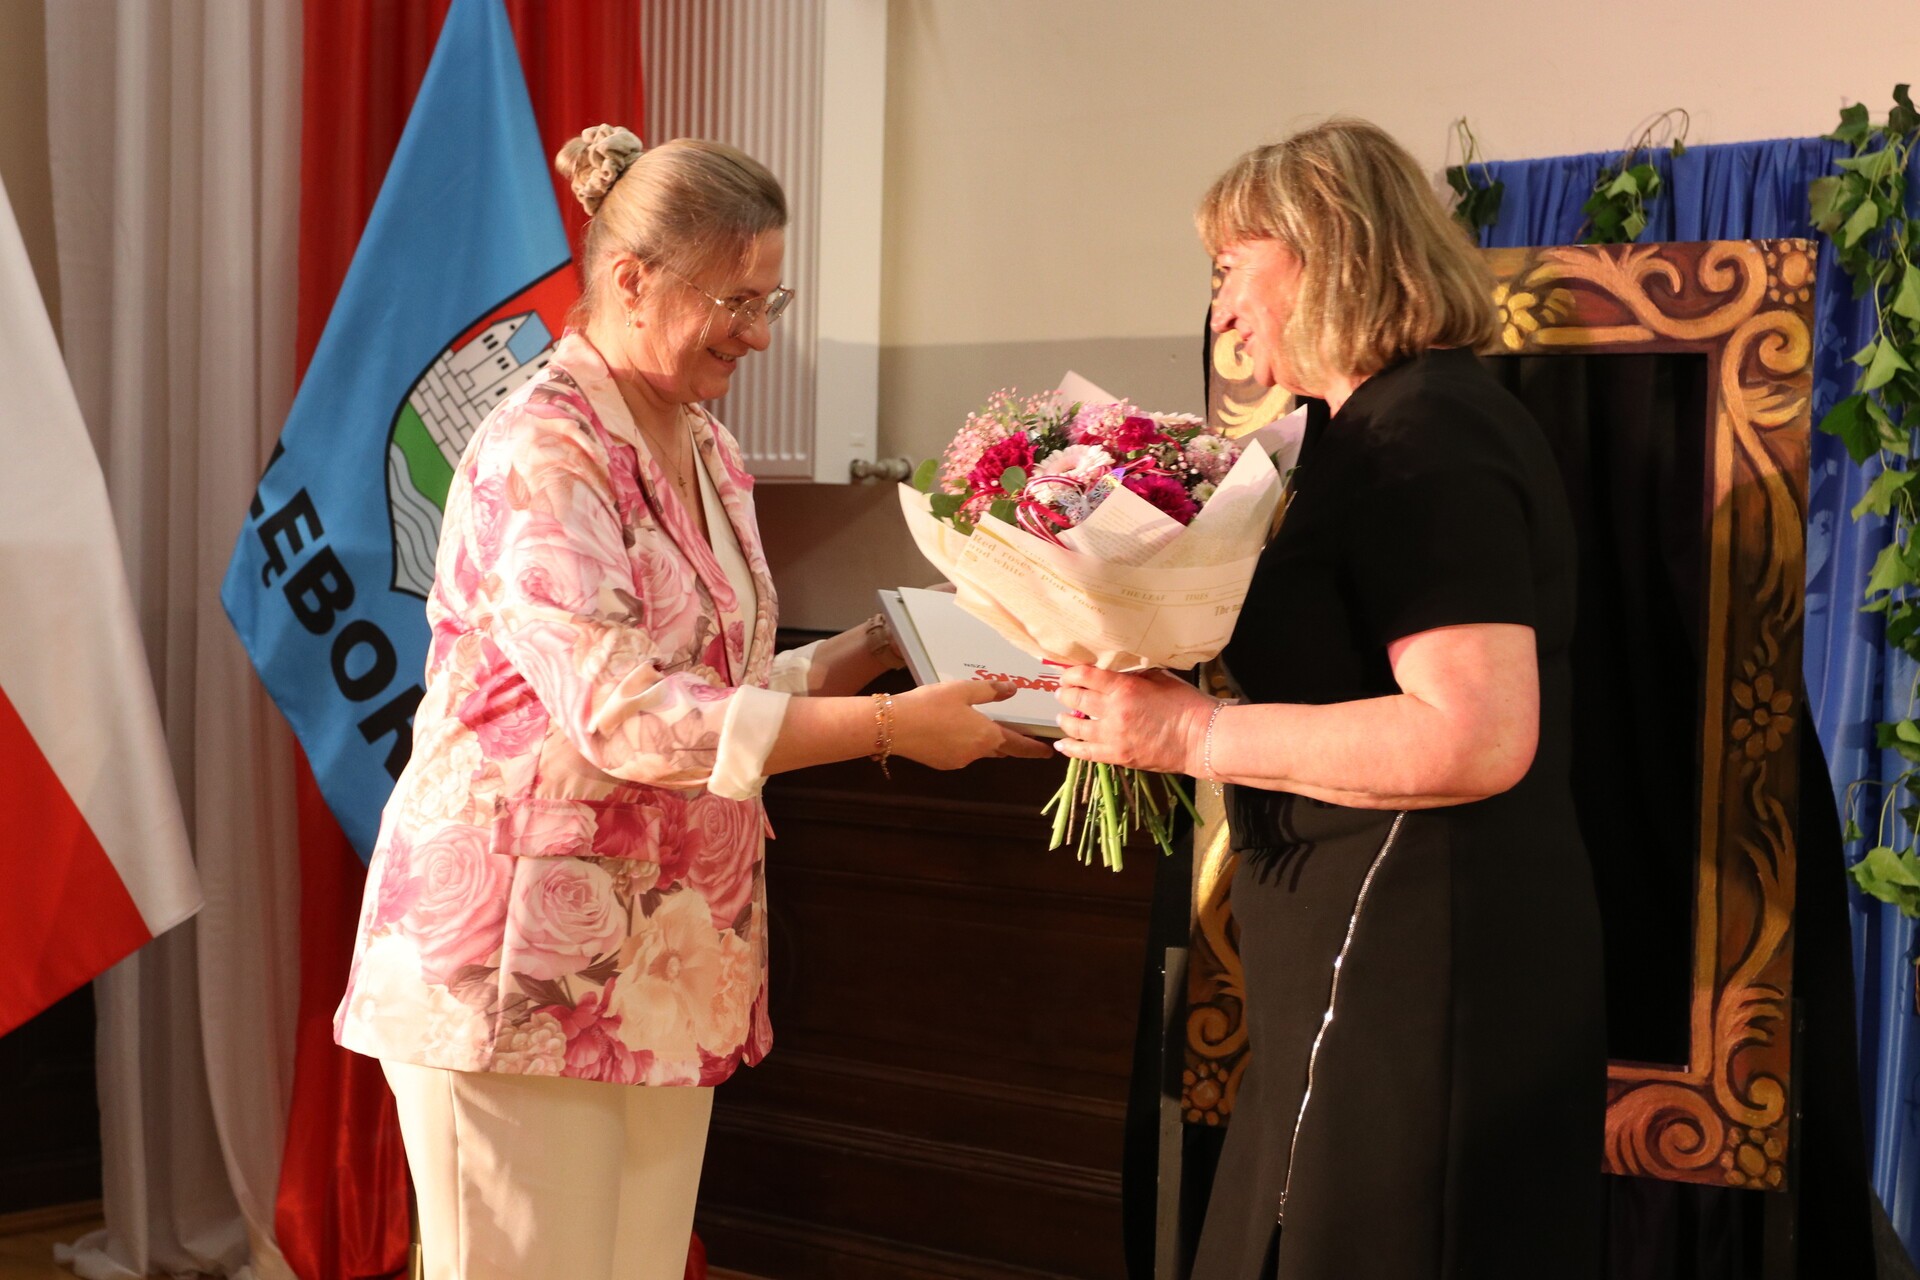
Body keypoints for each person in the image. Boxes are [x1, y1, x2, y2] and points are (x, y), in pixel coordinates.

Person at [334, 124, 1049, 1280]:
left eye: (773, 299)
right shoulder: (541, 452)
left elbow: (718, 690)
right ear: (630, 279)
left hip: (659, 955)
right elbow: (626, 715)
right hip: (516, 964)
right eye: (737, 301)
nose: (760, 333)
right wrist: (888, 732)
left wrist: (891, 644)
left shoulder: (707, 446)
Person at [1055, 119, 1605, 1278]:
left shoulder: (1428, 435)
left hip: (1414, 964)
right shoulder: (1377, 428)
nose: (1220, 309)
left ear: (1327, 249)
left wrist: (1193, 732)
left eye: (1229, 267)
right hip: (1361, 958)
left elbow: (1476, 733)